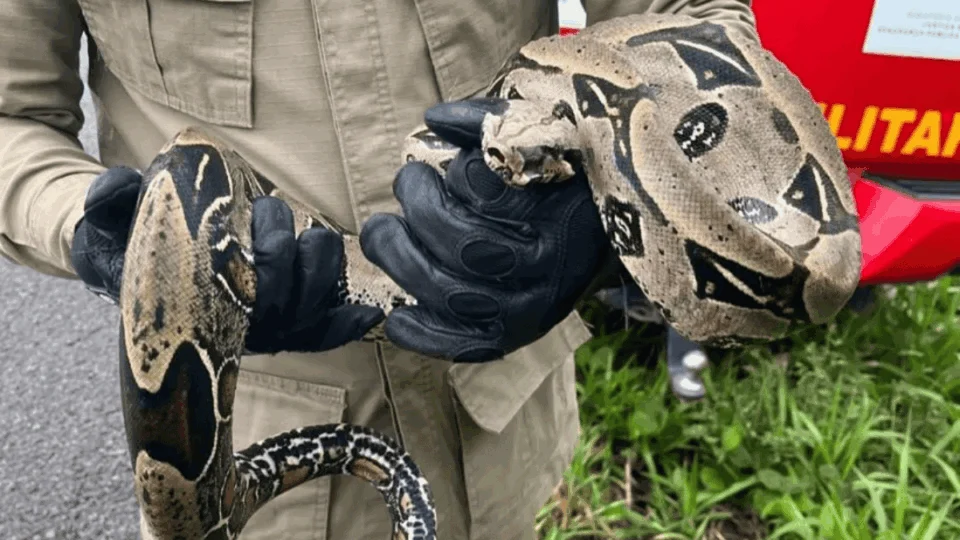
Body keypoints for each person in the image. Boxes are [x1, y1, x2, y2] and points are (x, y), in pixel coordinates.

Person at [0, 1, 760, 539]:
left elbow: (693, 19)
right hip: (249, 441)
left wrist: (599, 213)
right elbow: (12, 119)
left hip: (503, 403)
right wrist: (105, 234)